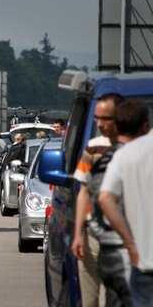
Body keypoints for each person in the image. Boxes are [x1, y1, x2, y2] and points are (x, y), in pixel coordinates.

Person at [87, 100, 149, 306]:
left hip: (134, 260)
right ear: (144, 127)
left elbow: (103, 200)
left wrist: (127, 243)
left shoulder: (119, 157)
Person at [71, 93, 124, 307]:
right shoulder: (93, 147)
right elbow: (84, 191)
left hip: (123, 237)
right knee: (90, 301)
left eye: (106, 118)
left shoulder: (139, 147)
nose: (100, 124)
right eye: (97, 119)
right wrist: (78, 234)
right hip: (92, 236)